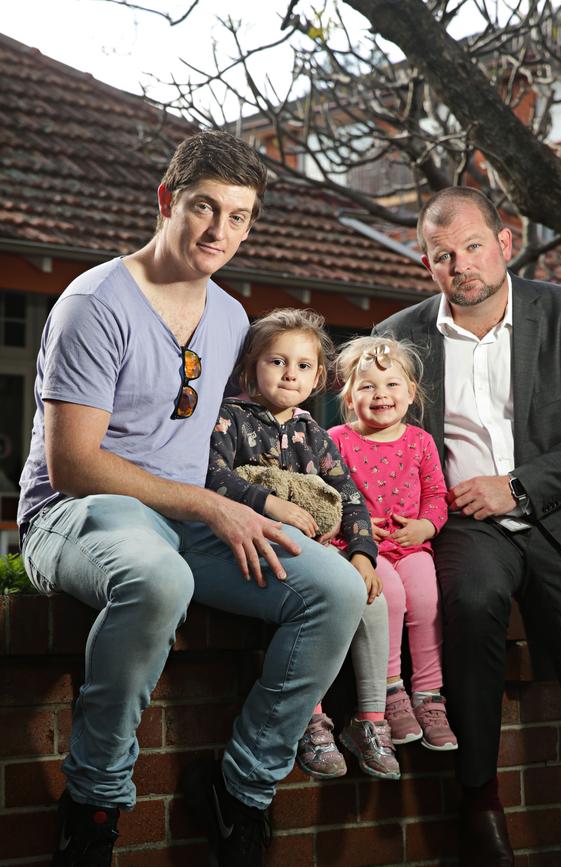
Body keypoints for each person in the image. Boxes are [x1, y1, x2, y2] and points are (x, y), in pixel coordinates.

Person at [17, 131, 367, 867]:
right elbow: (75, 463)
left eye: (238, 216)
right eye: (204, 208)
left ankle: (242, 787)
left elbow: (234, 444)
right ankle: (96, 800)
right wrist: (211, 506)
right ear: (166, 201)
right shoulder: (95, 303)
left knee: (335, 588)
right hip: (75, 515)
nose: (219, 231)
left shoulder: (234, 318)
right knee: (158, 576)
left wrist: (260, 503)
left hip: (182, 518)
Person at [374, 186, 561, 867]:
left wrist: (517, 486)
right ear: (427, 265)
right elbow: (370, 438)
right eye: (441, 256)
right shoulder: (397, 338)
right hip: (464, 525)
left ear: (505, 243)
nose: (460, 264)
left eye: (470, 246)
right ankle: (478, 795)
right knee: (470, 599)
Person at [207, 308, 401, 782]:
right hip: (264, 548)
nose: (290, 373)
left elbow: (350, 496)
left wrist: (361, 554)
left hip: (323, 547)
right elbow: (211, 477)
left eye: (303, 365)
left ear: (318, 377)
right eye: (277, 361)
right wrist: (271, 502)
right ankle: (309, 719)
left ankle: (371, 721)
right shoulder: (229, 419)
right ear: (251, 366)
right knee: (308, 596)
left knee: (370, 599)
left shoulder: (312, 432)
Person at [329, 335, 457, 753]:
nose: (380, 395)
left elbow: (437, 495)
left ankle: (429, 695)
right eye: (367, 387)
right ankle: (391, 691)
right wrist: (356, 535)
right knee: (393, 598)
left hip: (412, 545)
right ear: (348, 396)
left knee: (426, 597)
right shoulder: (336, 440)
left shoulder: (419, 441)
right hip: (365, 551)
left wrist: (426, 527)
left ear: (411, 392)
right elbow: (329, 499)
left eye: (391, 385)